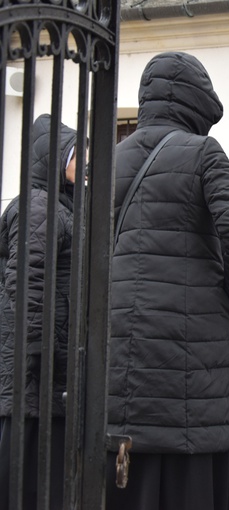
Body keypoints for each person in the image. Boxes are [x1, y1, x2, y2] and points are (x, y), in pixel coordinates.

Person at [106, 52, 229, 510]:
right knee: (189, 458)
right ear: (197, 98)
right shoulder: (200, 151)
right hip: (188, 336)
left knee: (133, 447)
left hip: (119, 334)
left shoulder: (112, 157)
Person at [0, 114, 79, 510]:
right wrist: (37, 350)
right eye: (75, 154)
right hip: (38, 367)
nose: (84, 162)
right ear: (54, 158)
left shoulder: (61, 206)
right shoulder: (39, 207)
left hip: (52, 362)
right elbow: (26, 282)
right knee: (29, 477)